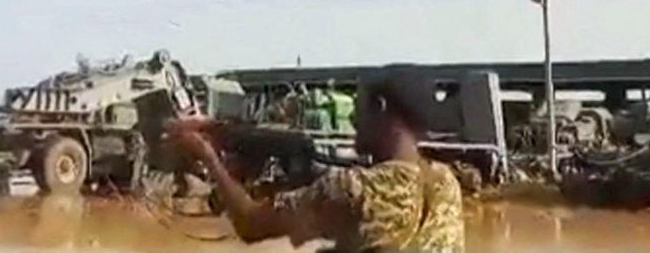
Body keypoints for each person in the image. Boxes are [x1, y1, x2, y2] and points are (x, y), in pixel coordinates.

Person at [167, 74, 465, 253]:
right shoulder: (446, 182)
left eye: (358, 107)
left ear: (380, 107)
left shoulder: (353, 188)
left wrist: (207, 156)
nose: (353, 120)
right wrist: (224, 132)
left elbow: (251, 224)